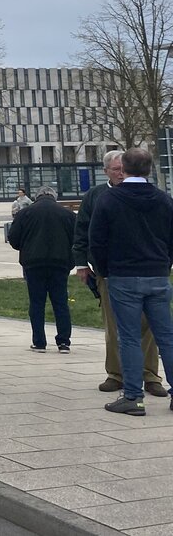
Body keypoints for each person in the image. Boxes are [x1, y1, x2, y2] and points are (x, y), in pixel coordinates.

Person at [72, 150, 166, 396]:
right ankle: (117, 373)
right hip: (118, 272)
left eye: (121, 168)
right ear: (108, 171)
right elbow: (85, 233)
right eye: (115, 169)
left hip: (132, 271)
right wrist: (86, 265)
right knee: (116, 327)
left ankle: (148, 377)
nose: (119, 173)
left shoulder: (152, 198)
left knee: (149, 329)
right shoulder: (98, 197)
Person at [7, 186, 76, 353]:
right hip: (60, 263)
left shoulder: (25, 213)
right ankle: (64, 342)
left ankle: (39, 342)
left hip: (33, 262)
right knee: (60, 303)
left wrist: (26, 248)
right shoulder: (67, 214)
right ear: (54, 196)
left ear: (36, 197)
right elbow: (77, 239)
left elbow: (13, 238)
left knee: (37, 303)